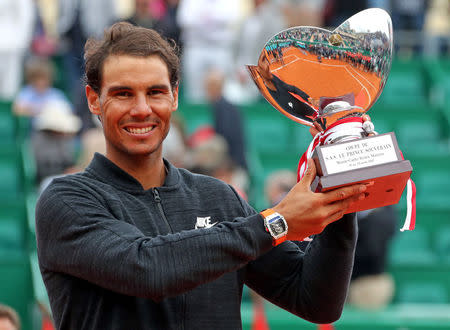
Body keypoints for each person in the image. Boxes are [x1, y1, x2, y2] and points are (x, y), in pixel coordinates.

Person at [35, 22, 368, 329]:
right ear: (94, 100)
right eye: (123, 93)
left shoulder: (218, 198)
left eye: (155, 92)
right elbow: (148, 268)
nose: (141, 109)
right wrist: (275, 222)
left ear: (175, 96)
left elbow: (315, 302)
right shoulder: (66, 200)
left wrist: (339, 190)